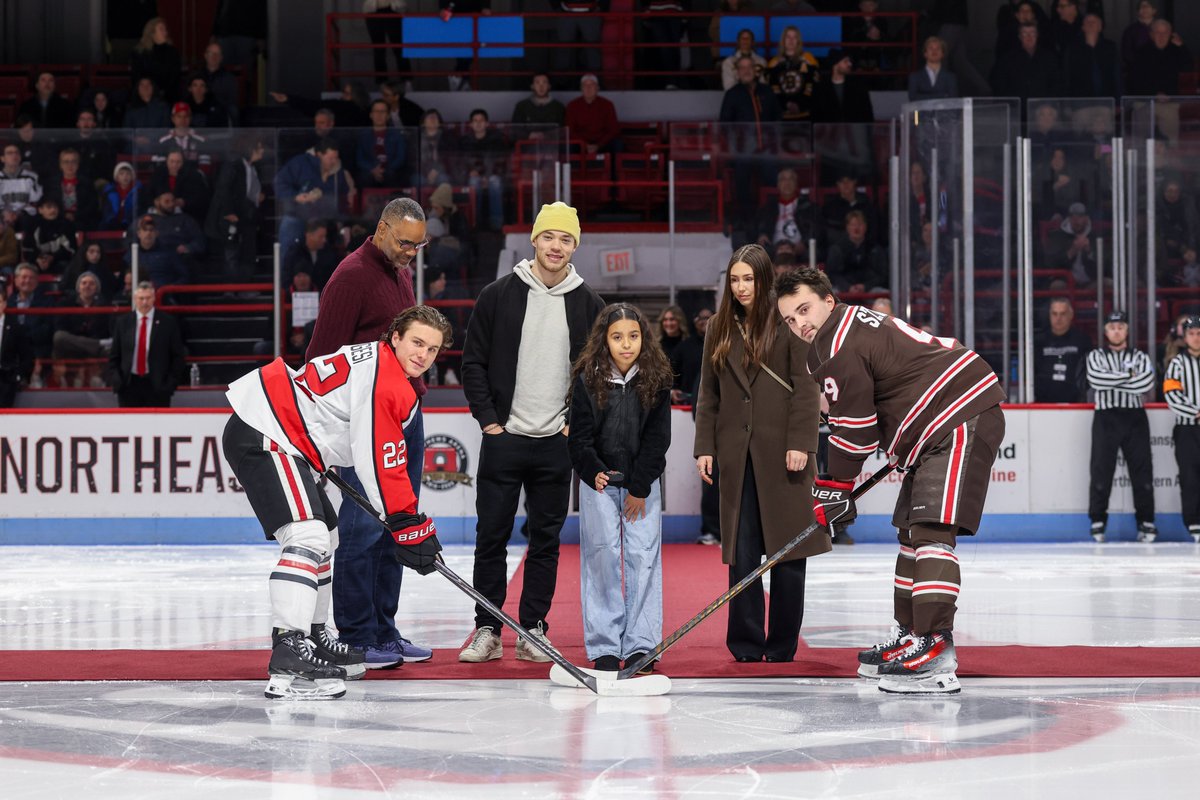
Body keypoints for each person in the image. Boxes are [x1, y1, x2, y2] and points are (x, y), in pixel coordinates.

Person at [775, 267, 1006, 694]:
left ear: (828, 299)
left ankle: (935, 649)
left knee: (932, 532)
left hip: (959, 414)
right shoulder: (840, 332)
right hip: (934, 424)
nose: (800, 324)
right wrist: (839, 481)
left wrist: (836, 485)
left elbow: (857, 426)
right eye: (790, 319)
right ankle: (911, 635)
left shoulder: (834, 342)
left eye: (804, 309)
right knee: (909, 534)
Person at [222, 305, 451, 700]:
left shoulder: (379, 362)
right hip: (268, 433)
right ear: (394, 337)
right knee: (308, 536)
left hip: (285, 437)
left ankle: (313, 635)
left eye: (433, 349)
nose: (423, 355)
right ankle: (289, 646)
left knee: (328, 537)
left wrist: (404, 523)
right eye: (417, 342)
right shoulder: (386, 381)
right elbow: (378, 459)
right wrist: (408, 524)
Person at [458, 202, 604, 664]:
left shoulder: (589, 304)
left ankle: (534, 629)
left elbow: (597, 374)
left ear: (574, 246)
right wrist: (489, 421)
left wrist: (571, 426)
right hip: (504, 439)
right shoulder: (497, 295)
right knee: (491, 539)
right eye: (549, 237)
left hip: (555, 445)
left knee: (545, 541)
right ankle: (487, 628)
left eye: (566, 239)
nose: (557, 246)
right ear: (534, 241)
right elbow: (473, 363)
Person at [305, 196, 432, 669]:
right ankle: (358, 635)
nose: (410, 254)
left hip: (403, 415)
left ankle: (385, 630)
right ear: (380, 229)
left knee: (396, 524)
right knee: (360, 531)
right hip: (363, 427)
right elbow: (319, 361)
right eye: (404, 243)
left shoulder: (397, 269)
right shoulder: (351, 277)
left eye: (418, 246)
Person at [694, 244, 824, 664]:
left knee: (789, 553)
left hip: (784, 452)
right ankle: (747, 645)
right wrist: (704, 447)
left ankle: (782, 645)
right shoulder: (718, 326)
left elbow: (806, 387)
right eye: (735, 279)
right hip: (736, 454)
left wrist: (802, 443)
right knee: (743, 555)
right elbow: (708, 394)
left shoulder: (787, 321)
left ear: (764, 278)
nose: (741, 287)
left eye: (748, 278)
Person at [567, 302, 673, 673]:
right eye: (617, 337)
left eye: (633, 336)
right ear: (604, 341)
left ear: (644, 339)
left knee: (642, 558)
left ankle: (643, 644)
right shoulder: (587, 378)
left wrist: (641, 486)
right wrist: (591, 469)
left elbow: (658, 439)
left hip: (641, 487)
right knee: (602, 560)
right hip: (599, 486)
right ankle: (605, 645)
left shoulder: (656, 380)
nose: (626, 344)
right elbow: (578, 437)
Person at [1086, 310, 1157, 544]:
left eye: (1120, 327)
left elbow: (1145, 383)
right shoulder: (1096, 355)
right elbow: (1096, 380)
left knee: (1142, 469)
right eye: (1112, 328)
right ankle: (1098, 521)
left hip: (1135, 417)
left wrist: (1114, 379)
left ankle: (1146, 522)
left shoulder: (1140, 355)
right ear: (1106, 331)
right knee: (1101, 469)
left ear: (1126, 330)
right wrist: (1128, 375)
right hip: (1106, 417)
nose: (1116, 331)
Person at [107, 281, 187, 407]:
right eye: (141, 298)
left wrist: (169, 385)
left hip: (158, 386)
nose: (144, 302)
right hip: (129, 385)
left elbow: (177, 356)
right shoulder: (123, 323)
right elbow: (114, 356)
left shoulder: (168, 322)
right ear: (134, 299)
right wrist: (118, 381)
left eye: (148, 298)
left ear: (154, 298)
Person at [275, 138, 354, 252]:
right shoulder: (301, 163)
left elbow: (343, 199)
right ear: (319, 155)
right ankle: (288, 267)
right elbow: (280, 181)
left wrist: (345, 223)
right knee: (290, 225)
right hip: (298, 215)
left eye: (336, 158)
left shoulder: (338, 173)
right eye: (330, 158)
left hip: (324, 219)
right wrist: (295, 196)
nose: (333, 161)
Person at [205, 137, 266, 280]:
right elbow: (224, 189)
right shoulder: (234, 166)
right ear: (252, 149)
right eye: (260, 147)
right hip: (232, 218)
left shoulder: (253, 168)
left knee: (247, 252)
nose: (263, 150)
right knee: (231, 253)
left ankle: (245, 286)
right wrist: (229, 212)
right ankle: (230, 288)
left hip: (247, 217)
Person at [1163, 316, 1200, 544]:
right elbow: (1171, 394)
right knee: (1190, 476)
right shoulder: (1177, 363)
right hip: (1187, 430)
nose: (1196, 337)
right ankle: (1194, 521)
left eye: (1199, 333)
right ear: (1185, 337)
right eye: (1192, 333)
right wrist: (1195, 412)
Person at [51, 271, 110, 389]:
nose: (87, 286)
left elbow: (106, 330)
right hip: (73, 346)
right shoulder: (65, 303)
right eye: (84, 283)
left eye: (91, 284)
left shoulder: (104, 305)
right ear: (78, 287)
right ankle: (96, 345)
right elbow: (60, 327)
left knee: (112, 351)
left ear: (97, 288)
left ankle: (106, 385)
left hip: (94, 349)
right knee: (59, 337)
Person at [457, 108, 509, 231]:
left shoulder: (496, 140)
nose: (478, 123)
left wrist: (487, 175)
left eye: (481, 120)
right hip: (472, 177)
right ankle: (474, 223)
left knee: (494, 182)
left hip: (492, 175)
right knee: (474, 183)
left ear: (487, 123)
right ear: (471, 124)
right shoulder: (465, 141)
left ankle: (497, 224)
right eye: (475, 120)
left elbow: (500, 162)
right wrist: (469, 172)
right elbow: (460, 162)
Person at [1034, 297, 1091, 403]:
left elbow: (1087, 372)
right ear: (1049, 315)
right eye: (1054, 314)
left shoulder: (1082, 340)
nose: (1058, 318)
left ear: (1071, 315)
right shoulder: (1038, 341)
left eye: (1063, 314)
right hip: (1043, 404)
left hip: (1075, 403)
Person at [990, 22, 1061, 104]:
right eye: (1025, 33)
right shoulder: (1008, 59)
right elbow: (999, 84)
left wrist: (1048, 104)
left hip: (1042, 109)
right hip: (1015, 108)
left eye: (1032, 33)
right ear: (1019, 36)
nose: (1029, 37)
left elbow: (1056, 83)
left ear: (1037, 35)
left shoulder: (1049, 58)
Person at [767, 26, 820, 122]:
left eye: (794, 37)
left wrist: (800, 104)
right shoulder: (774, 63)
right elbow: (773, 89)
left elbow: (812, 86)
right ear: (783, 40)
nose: (791, 40)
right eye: (788, 37)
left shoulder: (809, 59)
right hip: (782, 117)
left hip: (805, 115)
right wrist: (786, 104)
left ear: (798, 41)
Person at [826, 210, 886, 294]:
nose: (856, 228)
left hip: (870, 289)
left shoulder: (875, 249)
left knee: (883, 296)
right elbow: (832, 274)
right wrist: (847, 287)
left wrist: (865, 286)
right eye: (853, 225)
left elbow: (881, 275)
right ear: (847, 227)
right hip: (843, 290)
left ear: (865, 226)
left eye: (860, 225)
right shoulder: (837, 249)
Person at [1064, 13, 1120, 99]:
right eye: (1087, 22)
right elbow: (1067, 75)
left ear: (1100, 27)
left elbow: (1117, 74)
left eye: (1094, 22)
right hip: (1080, 101)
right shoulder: (1073, 49)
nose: (1090, 24)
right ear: (1083, 27)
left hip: (1107, 100)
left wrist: (1118, 100)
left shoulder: (1110, 47)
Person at [123, 215, 188, 288]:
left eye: (151, 230)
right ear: (139, 233)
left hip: (163, 295)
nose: (148, 233)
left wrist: (170, 288)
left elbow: (184, 277)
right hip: (138, 295)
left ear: (156, 233)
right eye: (145, 230)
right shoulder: (131, 255)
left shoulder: (169, 253)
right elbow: (123, 282)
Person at [811, 49, 873, 125]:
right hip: (829, 133)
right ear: (835, 65)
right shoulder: (821, 88)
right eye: (845, 61)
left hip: (854, 133)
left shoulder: (858, 86)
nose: (850, 64)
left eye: (849, 61)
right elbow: (816, 115)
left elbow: (867, 113)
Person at [551, 0, 606, 84]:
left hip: (591, 12)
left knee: (593, 49)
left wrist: (602, 7)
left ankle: (595, 82)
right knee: (564, 49)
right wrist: (557, 7)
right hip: (566, 12)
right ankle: (562, 83)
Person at [356, 100, 407, 189]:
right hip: (370, 171)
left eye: (382, 112)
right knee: (364, 177)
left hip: (391, 171)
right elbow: (360, 158)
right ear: (371, 115)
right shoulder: (363, 135)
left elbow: (400, 158)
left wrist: (385, 170)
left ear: (388, 115)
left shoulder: (397, 134)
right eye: (376, 112)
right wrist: (373, 170)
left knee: (394, 176)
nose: (379, 115)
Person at [565, 74, 621, 156]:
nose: (588, 88)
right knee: (568, 146)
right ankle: (573, 169)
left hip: (602, 142)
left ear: (597, 88)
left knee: (617, 145)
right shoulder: (572, 106)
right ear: (581, 88)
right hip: (580, 142)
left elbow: (613, 129)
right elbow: (570, 130)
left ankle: (613, 169)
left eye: (592, 85)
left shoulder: (607, 105)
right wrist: (585, 144)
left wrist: (598, 145)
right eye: (585, 85)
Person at [45, 148, 100, 231]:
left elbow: (92, 206)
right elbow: (49, 204)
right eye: (66, 162)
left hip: (82, 222)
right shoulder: (52, 184)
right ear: (61, 165)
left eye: (73, 161)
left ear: (78, 164)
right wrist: (63, 215)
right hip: (58, 221)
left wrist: (75, 216)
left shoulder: (87, 183)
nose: (70, 165)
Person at [131, 17, 183, 103]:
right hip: (145, 96)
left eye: (165, 29)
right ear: (152, 33)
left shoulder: (173, 53)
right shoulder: (140, 53)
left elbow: (175, 78)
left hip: (168, 97)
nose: (165, 32)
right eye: (161, 29)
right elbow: (137, 78)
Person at [0, 288, 35, 407]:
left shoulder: (15, 327)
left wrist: (18, 376)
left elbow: (27, 356)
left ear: (4, 304)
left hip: (5, 380)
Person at [363, 1, 410, 85]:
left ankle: (406, 81)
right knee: (379, 49)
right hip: (372, 12)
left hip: (394, 10)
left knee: (399, 48)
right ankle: (382, 82)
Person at [284, 219, 338, 291]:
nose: (324, 240)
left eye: (325, 236)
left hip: (323, 297)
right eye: (321, 237)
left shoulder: (328, 253)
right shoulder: (294, 252)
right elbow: (286, 277)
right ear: (309, 235)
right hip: (298, 298)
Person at [907, 36, 959, 101]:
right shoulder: (915, 77)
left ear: (942, 54)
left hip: (943, 111)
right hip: (920, 111)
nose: (934, 51)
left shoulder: (950, 77)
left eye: (938, 48)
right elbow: (913, 99)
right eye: (931, 48)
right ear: (925, 53)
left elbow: (953, 99)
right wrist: (943, 95)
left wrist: (923, 96)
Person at [0, 143, 42, 225]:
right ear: (2, 158)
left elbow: (36, 202)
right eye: (9, 153)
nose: (14, 155)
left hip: (27, 220)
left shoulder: (32, 177)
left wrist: (20, 213)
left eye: (17, 152)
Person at [198, 40, 240, 118]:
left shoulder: (229, 78)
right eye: (211, 53)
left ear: (221, 58)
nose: (214, 56)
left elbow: (231, 101)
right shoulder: (197, 75)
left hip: (221, 112)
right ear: (205, 55)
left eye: (217, 54)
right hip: (200, 111)